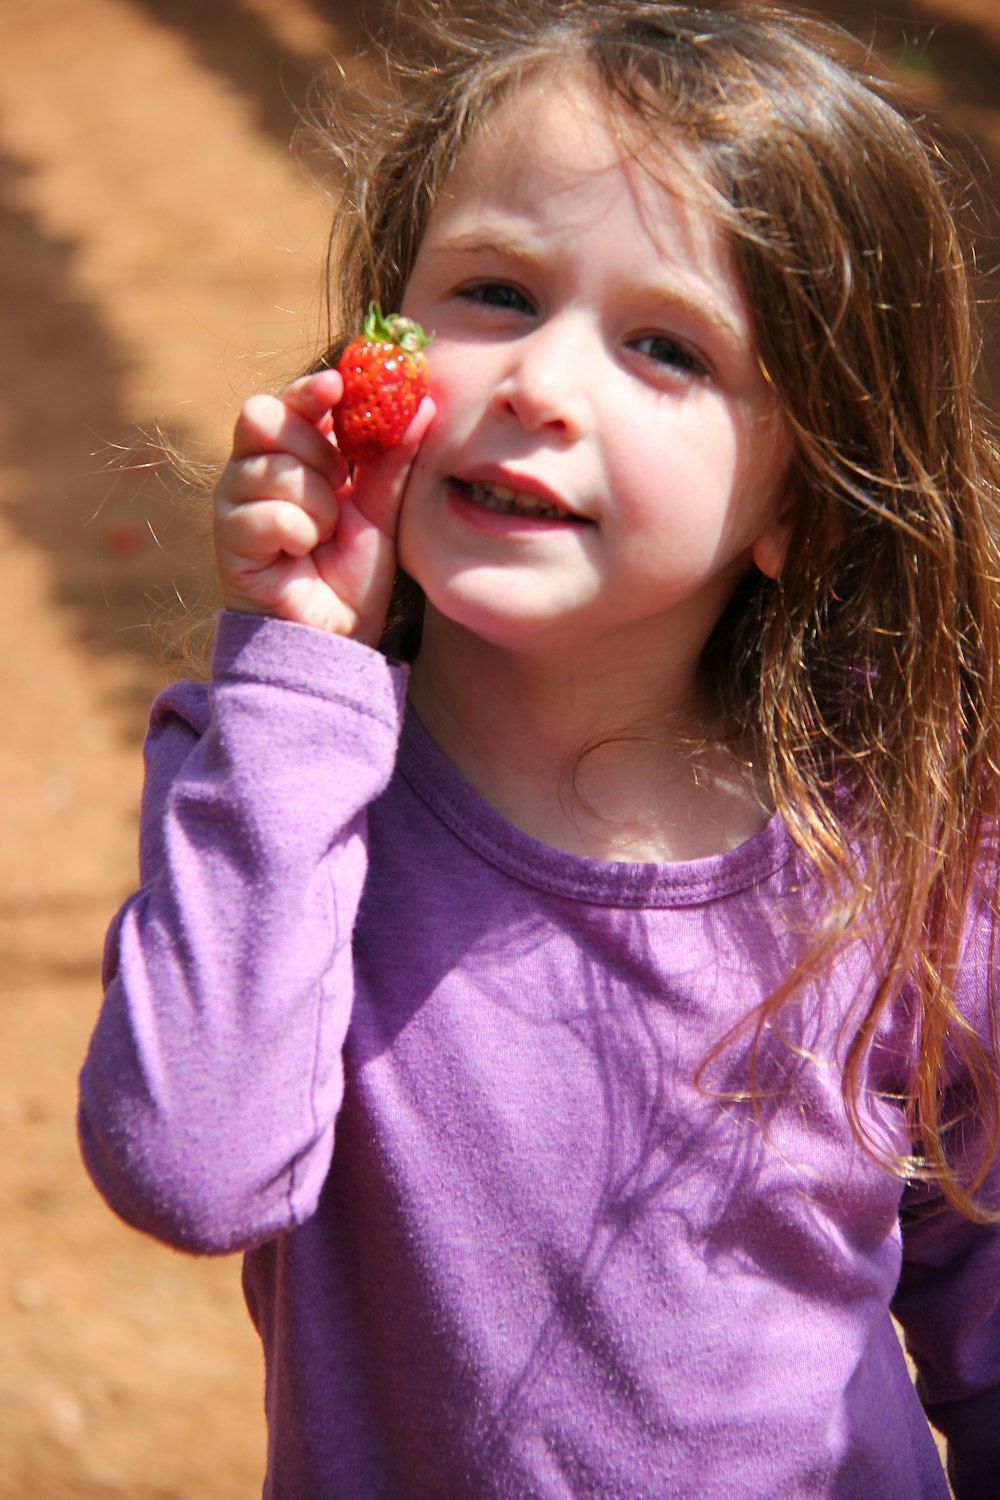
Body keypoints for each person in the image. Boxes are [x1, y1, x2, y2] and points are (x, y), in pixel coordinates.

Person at [78, 2, 1000, 1495]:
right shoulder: (286, 785)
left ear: (803, 504)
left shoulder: (896, 840)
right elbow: (193, 1168)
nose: (540, 386)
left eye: (665, 345)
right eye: (496, 292)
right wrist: (300, 668)